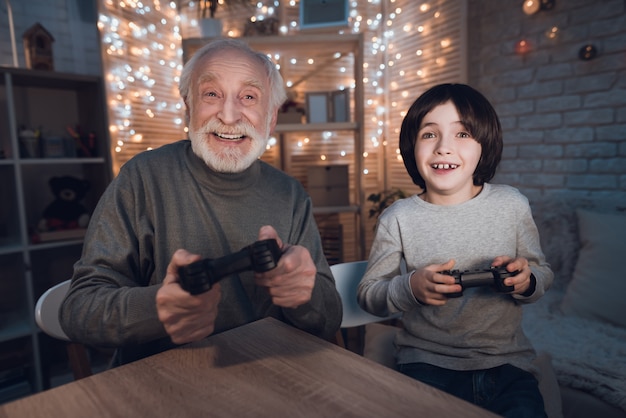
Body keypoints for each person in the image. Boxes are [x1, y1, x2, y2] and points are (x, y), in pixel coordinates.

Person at [59, 38, 342, 366]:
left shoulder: (291, 195)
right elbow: (78, 310)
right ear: (189, 106)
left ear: (271, 117)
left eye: (248, 97)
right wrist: (156, 309)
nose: (229, 115)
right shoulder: (143, 178)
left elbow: (329, 318)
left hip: (266, 377)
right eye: (212, 94)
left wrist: (303, 297)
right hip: (160, 383)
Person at [357, 83, 553, 418]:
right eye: (429, 134)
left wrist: (527, 280)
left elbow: (541, 271)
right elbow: (368, 294)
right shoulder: (398, 218)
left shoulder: (512, 205)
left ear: (484, 146)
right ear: (411, 147)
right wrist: (410, 287)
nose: (444, 148)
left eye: (462, 134)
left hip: (507, 365)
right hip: (425, 363)